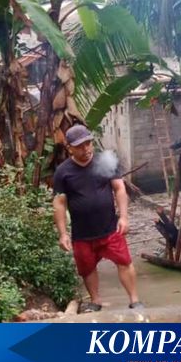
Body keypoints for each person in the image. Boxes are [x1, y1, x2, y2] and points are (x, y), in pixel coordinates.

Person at [53, 125, 143, 312]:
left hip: (110, 228)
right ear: (69, 147)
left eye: (88, 144)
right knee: (87, 269)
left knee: (124, 262)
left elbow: (119, 188)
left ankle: (135, 300)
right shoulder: (63, 172)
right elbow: (60, 203)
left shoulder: (105, 162)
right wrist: (62, 234)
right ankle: (95, 301)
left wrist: (124, 217)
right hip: (82, 234)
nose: (86, 149)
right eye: (80, 146)